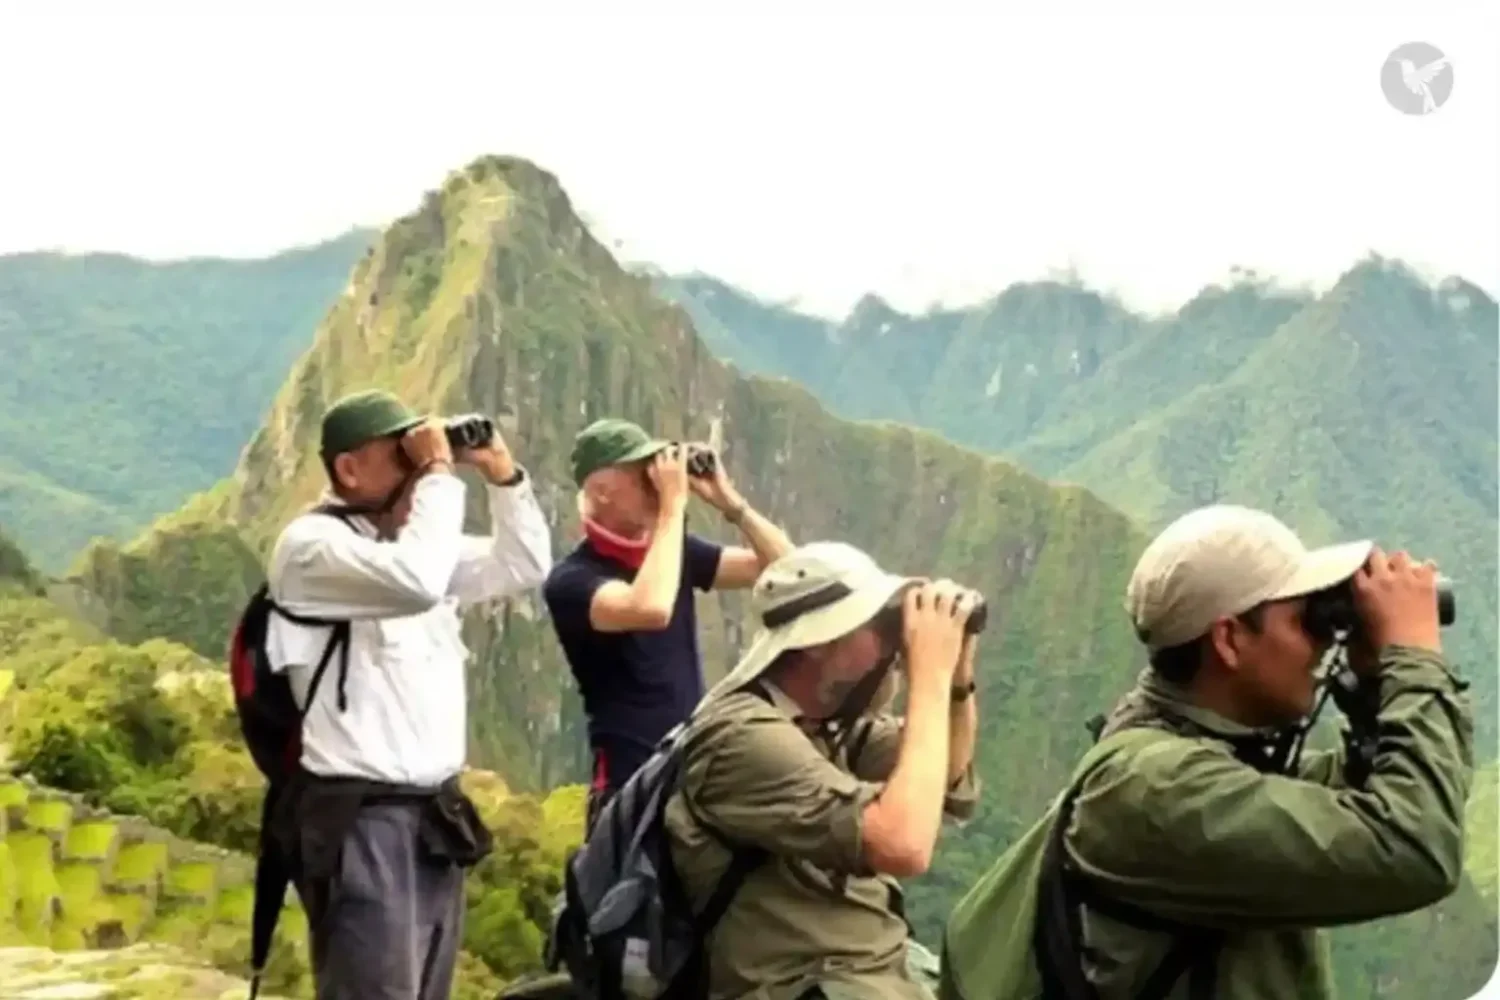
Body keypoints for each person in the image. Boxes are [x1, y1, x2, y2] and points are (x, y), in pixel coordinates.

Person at [942, 504, 1473, 1000]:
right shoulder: (1155, 787)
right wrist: (1415, 656)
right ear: (1230, 639)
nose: (1322, 641)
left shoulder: (1194, 750)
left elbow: (1369, 796)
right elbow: (1413, 848)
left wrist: (1374, 683)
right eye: (1306, 619)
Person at [262, 388, 553, 1000]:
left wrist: (503, 475)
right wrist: (442, 474)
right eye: (402, 455)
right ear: (349, 469)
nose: (418, 466)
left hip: (433, 819)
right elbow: (418, 584)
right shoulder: (313, 548)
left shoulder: (411, 546)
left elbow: (522, 566)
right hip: (362, 822)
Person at [662, 541, 984, 1000]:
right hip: (799, 986)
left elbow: (948, 774)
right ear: (819, 643)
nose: (894, 645)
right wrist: (928, 676)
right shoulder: (740, 736)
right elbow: (904, 846)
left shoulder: (827, 727)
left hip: (867, 977)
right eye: (879, 626)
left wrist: (956, 676)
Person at [542, 417, 793, 828]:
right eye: (642, 474)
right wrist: (672, 509)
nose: (656, 481)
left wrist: (732, 505)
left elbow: (788, 569)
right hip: (628, 788)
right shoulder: (573, 580)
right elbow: (651, 608)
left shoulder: (674, 552)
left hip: (690, 777)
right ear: (602, 492)